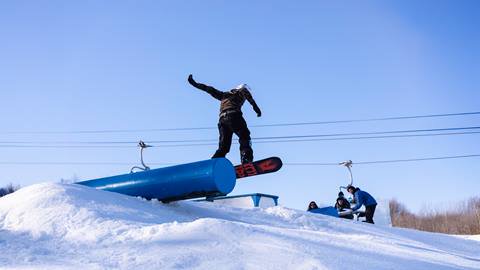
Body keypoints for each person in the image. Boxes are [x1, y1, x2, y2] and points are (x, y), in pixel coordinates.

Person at [187, 74, 262, 164]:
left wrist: (194, 83)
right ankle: (246, 158)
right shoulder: (243, 90)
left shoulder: (223, 95)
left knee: (224, 147)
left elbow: (208, 89)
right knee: (244, 136)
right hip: (234, 116)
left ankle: (214, 163)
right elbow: (250, 98)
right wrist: (256, 109)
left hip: (222, 120)